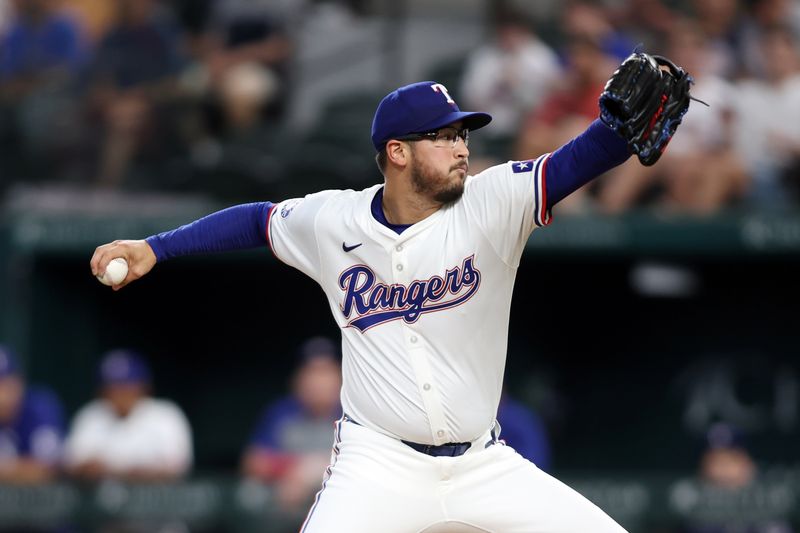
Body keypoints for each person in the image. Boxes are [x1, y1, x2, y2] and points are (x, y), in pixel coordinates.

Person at [90, 69, 675, 530]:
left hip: (483, 463)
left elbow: (575, 162)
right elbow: (256, 221)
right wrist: (154, 248)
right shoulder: (333, 220)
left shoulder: (492, 202)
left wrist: (614, 133)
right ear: (398, 152)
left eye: (462, 134)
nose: (461, 148)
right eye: (444, 136)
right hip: (378, 465)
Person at [242, 336, 342, 511]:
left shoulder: (351, 414)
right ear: (298, 378)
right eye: (311, 371)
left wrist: (312, 471)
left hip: (335, 495)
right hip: (284, 499)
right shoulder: (281, 412)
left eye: (325, 372)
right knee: (250, 494)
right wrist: (295, 469)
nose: (318, 381)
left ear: (339, 375)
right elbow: (253, 462)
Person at [64, 349, 192, 482]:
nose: (120, 394)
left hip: (161, 500)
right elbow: (73, 465)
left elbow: (177, 467)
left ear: (144, 387)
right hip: (100, 499)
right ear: (101, 391)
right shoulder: (89, 416)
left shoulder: (165, 415)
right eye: (113, 387)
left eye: (127, 386)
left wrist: (114, 471)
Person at [0, 345, 65, 484]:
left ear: (19, 383)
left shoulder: (40, 408)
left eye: (6, 384)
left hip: (42, 502)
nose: (3, 394)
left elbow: (47, 469)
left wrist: (8, 469)